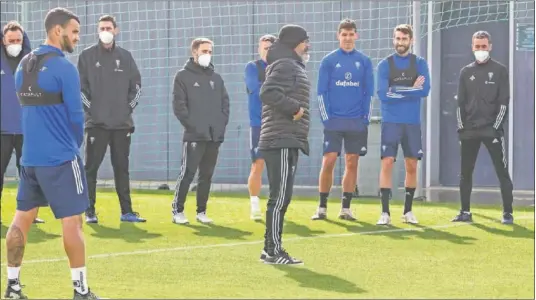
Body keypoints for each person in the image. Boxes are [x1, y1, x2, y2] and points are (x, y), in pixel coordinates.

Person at [4, 7, 99, 299]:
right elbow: (76, 117)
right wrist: (71, 148)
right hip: (60, 159)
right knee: (73, 221)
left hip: (30, 160)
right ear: (57, 30)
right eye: (74, 32)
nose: (77, 38)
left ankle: (12, 286)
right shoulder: (65, 68)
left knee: (21, 219)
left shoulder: (22, 66)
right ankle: (80, 291)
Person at [77, 15, 145, 224]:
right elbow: (81, 89)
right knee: (91, 169)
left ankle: (127, 212)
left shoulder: (126, 56)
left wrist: (127, 110)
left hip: (122, 125)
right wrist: (94, 112)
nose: (105, 31)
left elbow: (137, 87)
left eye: (108, 27)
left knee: (122, 169)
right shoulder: (87, 56)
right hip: (96, 125)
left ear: (116, 30)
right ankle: (89, 211)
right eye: (101, 28)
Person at [258, 24, 311, 265]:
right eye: (304, 41)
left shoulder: (291, 64)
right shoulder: (285, 64)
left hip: (288, 138)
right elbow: (268, 92)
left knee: (282, 197)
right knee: (279, 197)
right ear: (295, 43)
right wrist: (296, 108)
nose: (307, 45)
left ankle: (270, 248)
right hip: (280, 139)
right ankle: (273, 251)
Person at [312, 19, 374, 221]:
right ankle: (321, 207)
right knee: (329, 160)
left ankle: (345, 208)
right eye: (344, 34)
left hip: (356, 121)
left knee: (352, 161)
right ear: (338, 36)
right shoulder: (329, 61)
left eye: (351, 34)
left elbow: (369, 92)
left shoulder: (364, 61)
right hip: (334, 121)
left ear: (356, 36)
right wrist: (326, 118)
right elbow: (321, 92)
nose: (347, 38)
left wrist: (365, 117)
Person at [453, 31, 513, 224]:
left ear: (490, 47)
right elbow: (460, 104)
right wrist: (462, 128)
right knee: (465, 173)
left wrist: (496, 127)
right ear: (472, 47)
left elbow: (504, 102)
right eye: (477, 47)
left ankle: (507, 213)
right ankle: (465, 212)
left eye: (483, 46)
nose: (480, 50)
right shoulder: (465, 72)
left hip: (491, 130)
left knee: (501, 171)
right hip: (469, 130)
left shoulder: (500, 71)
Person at [171, 37, 230, 225]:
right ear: (194, 52)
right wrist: (193, 127)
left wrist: (219, 128)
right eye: (204, 51)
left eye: (210, 51)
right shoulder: (182, 77)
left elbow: (225, 105)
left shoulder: (216, 78)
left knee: (207, 175)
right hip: (194, 135)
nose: (207, 55)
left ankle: (201, 211)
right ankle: (178, 210)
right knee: (187, 173)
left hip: (214, 136)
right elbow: (179, 107)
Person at [376, 24, 430, 225]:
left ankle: (407, 211)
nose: (400, 42)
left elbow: (424, 91)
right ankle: (385, 213)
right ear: (393, 39)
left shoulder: (420, 63)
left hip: (412, 123)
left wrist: (396, 89)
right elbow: (383, 94)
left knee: (411, 165)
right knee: (387, 162)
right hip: (391, 122)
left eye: (404, 39)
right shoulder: (385, 65)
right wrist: (410, 89)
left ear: (411, 41)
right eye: (397, 38)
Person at [0, 21, 45, 224]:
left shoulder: (29, 62)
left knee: (28, 174)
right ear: (3, 40)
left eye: (18, 40)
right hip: (2, 131)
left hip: (26, 129)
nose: (15, 44)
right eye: (11, 40)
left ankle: (30, 214)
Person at [244, 34, 276, 220]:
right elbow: (256, 91)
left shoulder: (282, 67)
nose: (267, 50)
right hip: (259, 124)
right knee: (258, 164)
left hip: (279, 123)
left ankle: (275, 205)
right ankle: (254, 204)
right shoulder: (252, 67)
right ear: (259, 49)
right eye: (264, 47)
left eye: (270, 48)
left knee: (277, 165)